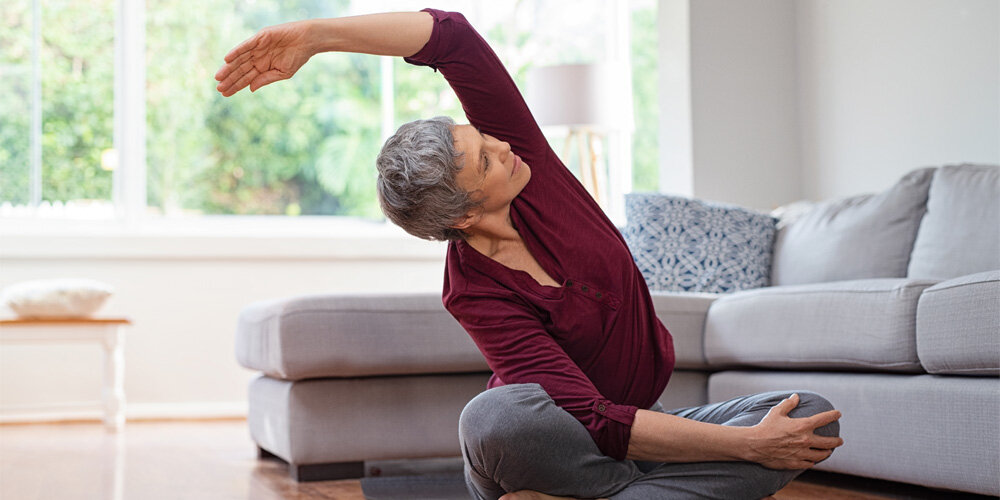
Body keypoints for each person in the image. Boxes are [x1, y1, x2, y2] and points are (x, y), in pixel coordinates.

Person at [215, 8, 843, 500]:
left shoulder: (530, 165)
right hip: (559, 443)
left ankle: (588, 498)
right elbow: (592, 418)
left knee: (808, 420)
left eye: (483, 136)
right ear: (462, 215)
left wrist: (318, 35)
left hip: (634, 433)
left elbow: (450, 37)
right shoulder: (472, 290)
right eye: (484, 157)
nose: (501, 145)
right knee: (496, 418)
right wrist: (745, 451)